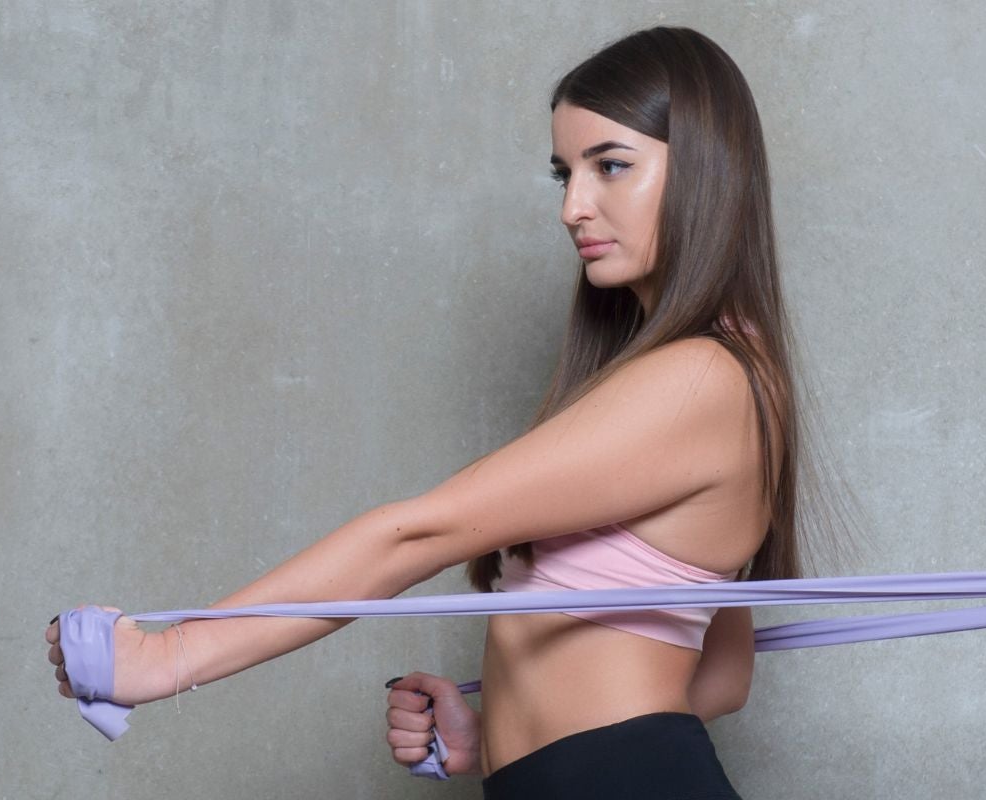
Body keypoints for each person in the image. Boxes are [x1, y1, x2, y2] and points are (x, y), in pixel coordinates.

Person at [45, 26, 807, 799]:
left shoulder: (700, 380)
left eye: (611, 166)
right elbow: (724, 672)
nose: (573, 207)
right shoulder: (716, 374)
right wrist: (498, 733)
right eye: (565, 173)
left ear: (707, 170)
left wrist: (167, 658)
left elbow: (417, 535)